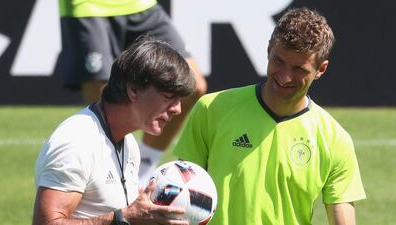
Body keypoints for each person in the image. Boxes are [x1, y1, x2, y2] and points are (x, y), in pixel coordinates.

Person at [173, 7, 366, 225]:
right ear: (268, 51)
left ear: (321, 69)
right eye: (279, 61)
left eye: (299, 69)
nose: (285, 76)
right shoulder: (212, 109)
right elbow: (181, 194)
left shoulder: (334, 139)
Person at [33, 37, 195, 225]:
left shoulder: (128, 142)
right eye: (169, 96)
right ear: (133, 90)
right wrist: (122, 217)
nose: (177, 109)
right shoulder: (76, 142)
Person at [58, 0, 207, 186]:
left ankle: (143, 171)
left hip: (142, 6)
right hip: (88, 7)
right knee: (106, 102)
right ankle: (107, 180)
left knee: (193, 86)